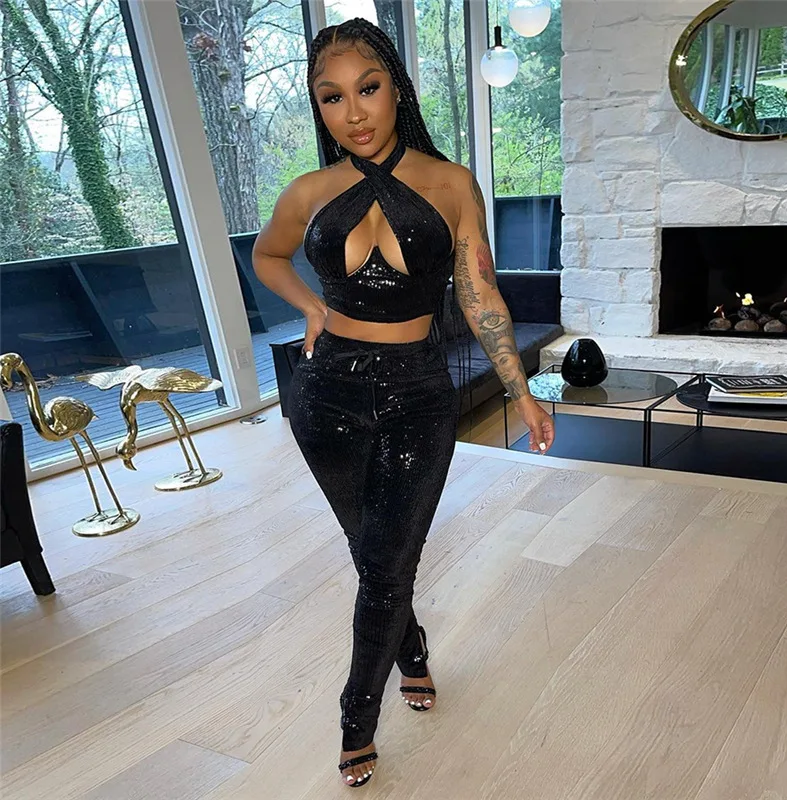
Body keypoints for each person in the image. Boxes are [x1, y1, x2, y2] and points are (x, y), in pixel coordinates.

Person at [252, 17, 555, 788]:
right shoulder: (309, 192)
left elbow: (478, 292)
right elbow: (268, 254)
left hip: (417, 392)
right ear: (318, 106)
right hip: (325, 395)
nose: (353, 111)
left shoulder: (451, 183)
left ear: (396, 88)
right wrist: (311, 308)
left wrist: (520, 391)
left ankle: (356, 715)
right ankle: (410, 647)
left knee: (388, 560)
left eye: (368, 88)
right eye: (331, 97)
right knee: (375, 555)